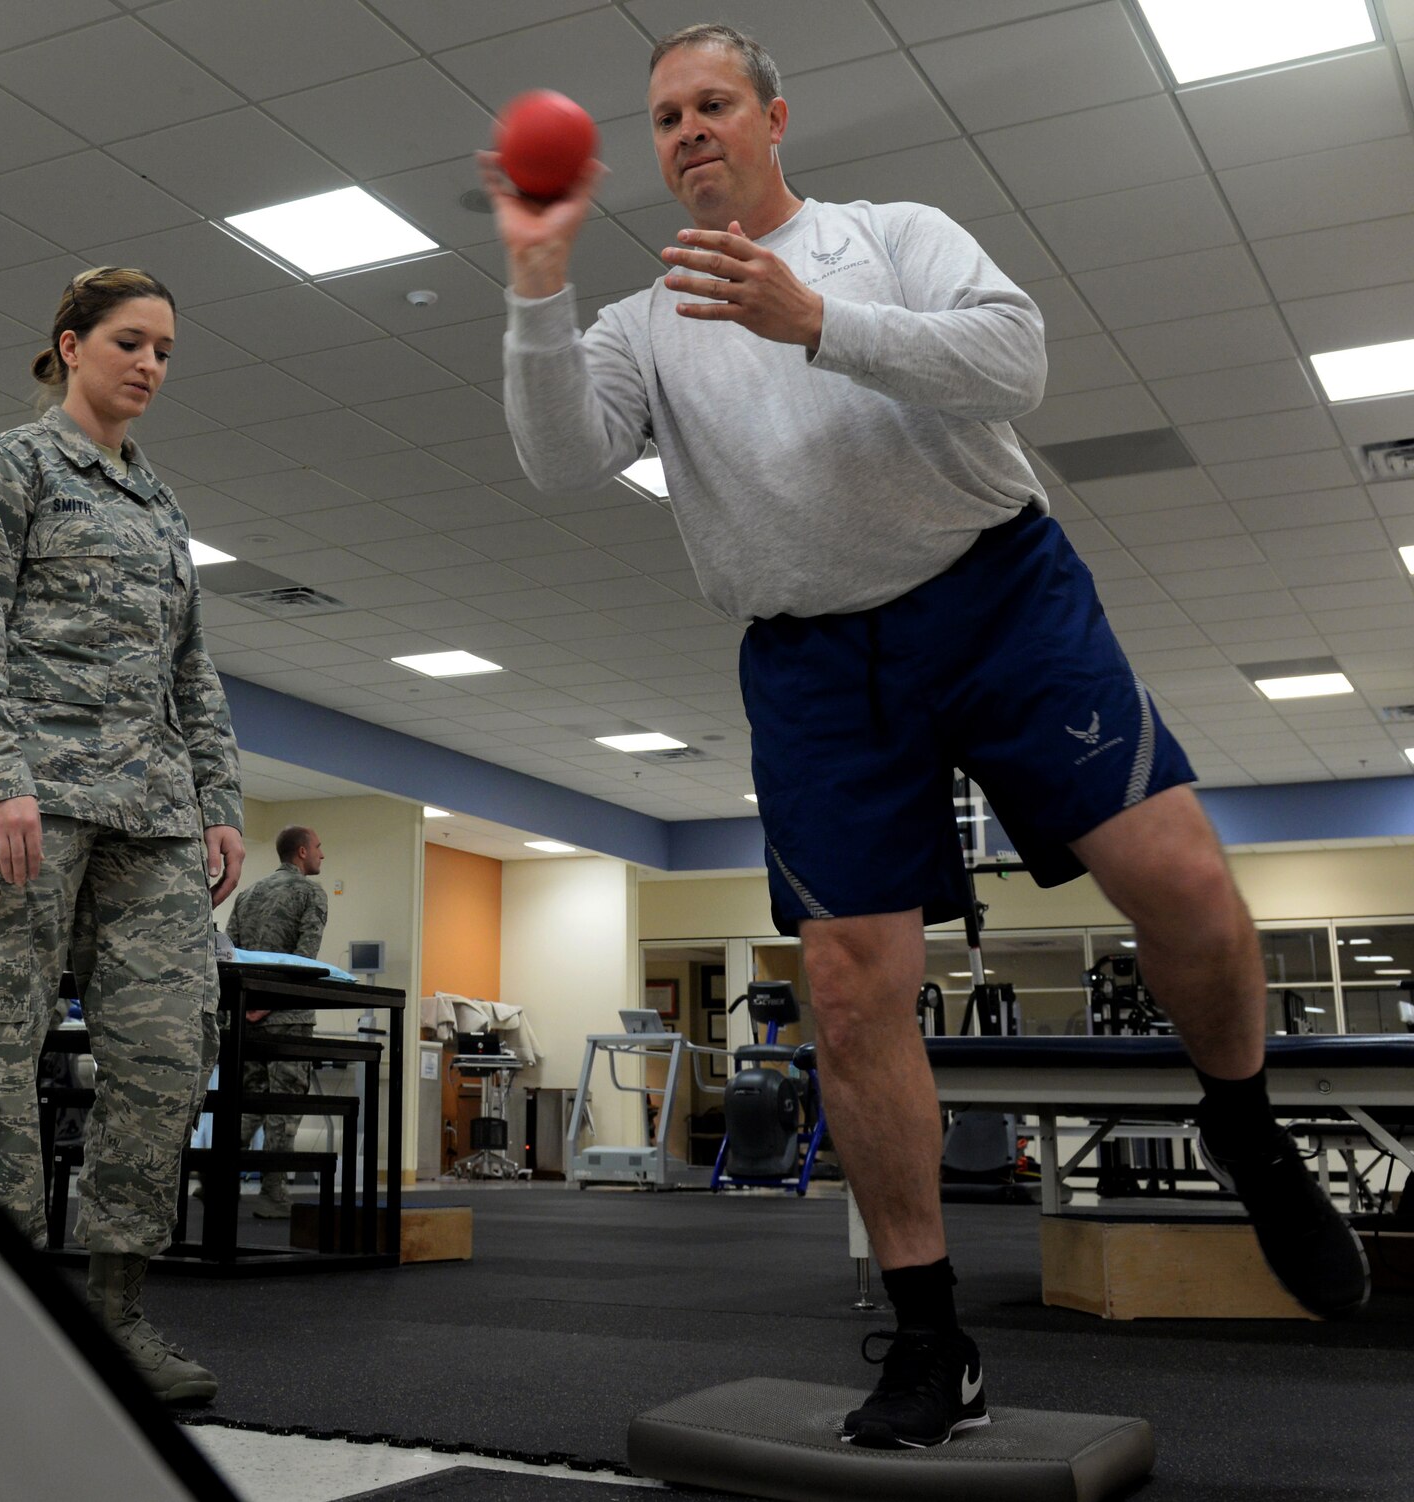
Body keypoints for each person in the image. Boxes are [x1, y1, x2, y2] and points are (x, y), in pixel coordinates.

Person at [490, 22, 1368, 1451]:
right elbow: (559, 455)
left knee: (1186, 880)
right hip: (816, 660)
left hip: (998, 597)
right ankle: (929, 1333)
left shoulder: (888, 235)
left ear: (776, 117)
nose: (688, 129)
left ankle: (1245, 1119)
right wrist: (535, 281)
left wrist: (816, 320)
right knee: (848, 988)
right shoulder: (644, 322)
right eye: (663, 117)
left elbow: (1016, 358)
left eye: (714, 103)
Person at [0, 265, 245, 1405]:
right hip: (19, 808)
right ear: (69, 345)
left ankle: (114, 1316)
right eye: (129, 342)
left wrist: (219, 799)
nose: (150, 364)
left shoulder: (161, 507)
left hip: (148, 814)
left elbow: (189, 667)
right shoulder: (9, 466)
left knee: (164, 1054)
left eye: (164, 349)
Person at [223, 825, 329, 1217]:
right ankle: (273, 1192)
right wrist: (271, 1002)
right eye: (318, 847)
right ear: (301, 852)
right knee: (283, 1108)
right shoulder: (309, 893)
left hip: (245, 1018)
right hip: (288, 1019)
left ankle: (222, 1180)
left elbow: (229, 954)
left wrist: (249, 1004)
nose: (322, 854)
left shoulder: (249, 893)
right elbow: (305, 959)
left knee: (247, 1103)